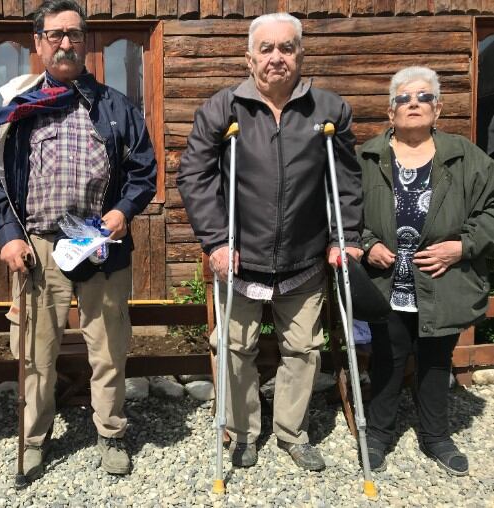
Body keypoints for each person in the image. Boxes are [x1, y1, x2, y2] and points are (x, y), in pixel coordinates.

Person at [0, 0, 157, 481]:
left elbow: (144, 171)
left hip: (103, 245)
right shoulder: (19, 109)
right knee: (35, 353)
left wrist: (122, 212)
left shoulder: (116, 106)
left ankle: (112, 433)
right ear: (38, 43)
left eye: (74, 34)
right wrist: (9, 235)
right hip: (37, 250)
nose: (65, 43)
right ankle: (34, 439)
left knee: (109, 346)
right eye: (54, 34)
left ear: (86, 41)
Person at [177, 12, 362, 470]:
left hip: (304, 258)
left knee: (303, 349)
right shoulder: (224, 109)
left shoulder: (328, 111)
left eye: (287, 48)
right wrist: (218, 242)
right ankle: (241, 432)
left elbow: (346, 181)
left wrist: (345, 237)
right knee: (234, 349)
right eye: (267, 49)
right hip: (241, 259)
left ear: (300, 55)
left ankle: (291, 432)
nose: (276, 57)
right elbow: (194, 176)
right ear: (249, 57)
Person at [358, 66, 494, 476]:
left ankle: (436, 436)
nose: (412, 104)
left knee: (436, 360)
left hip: (443, 282)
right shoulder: (368, 156)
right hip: (387, 283)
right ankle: (379, 433)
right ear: (389, 111)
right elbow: (345, 215)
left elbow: (491, 211)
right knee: (387, 356)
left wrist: (462, 246)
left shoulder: (467, 157)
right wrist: (368, 244)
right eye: (403, 98)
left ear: (438, 109)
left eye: (422, 97)